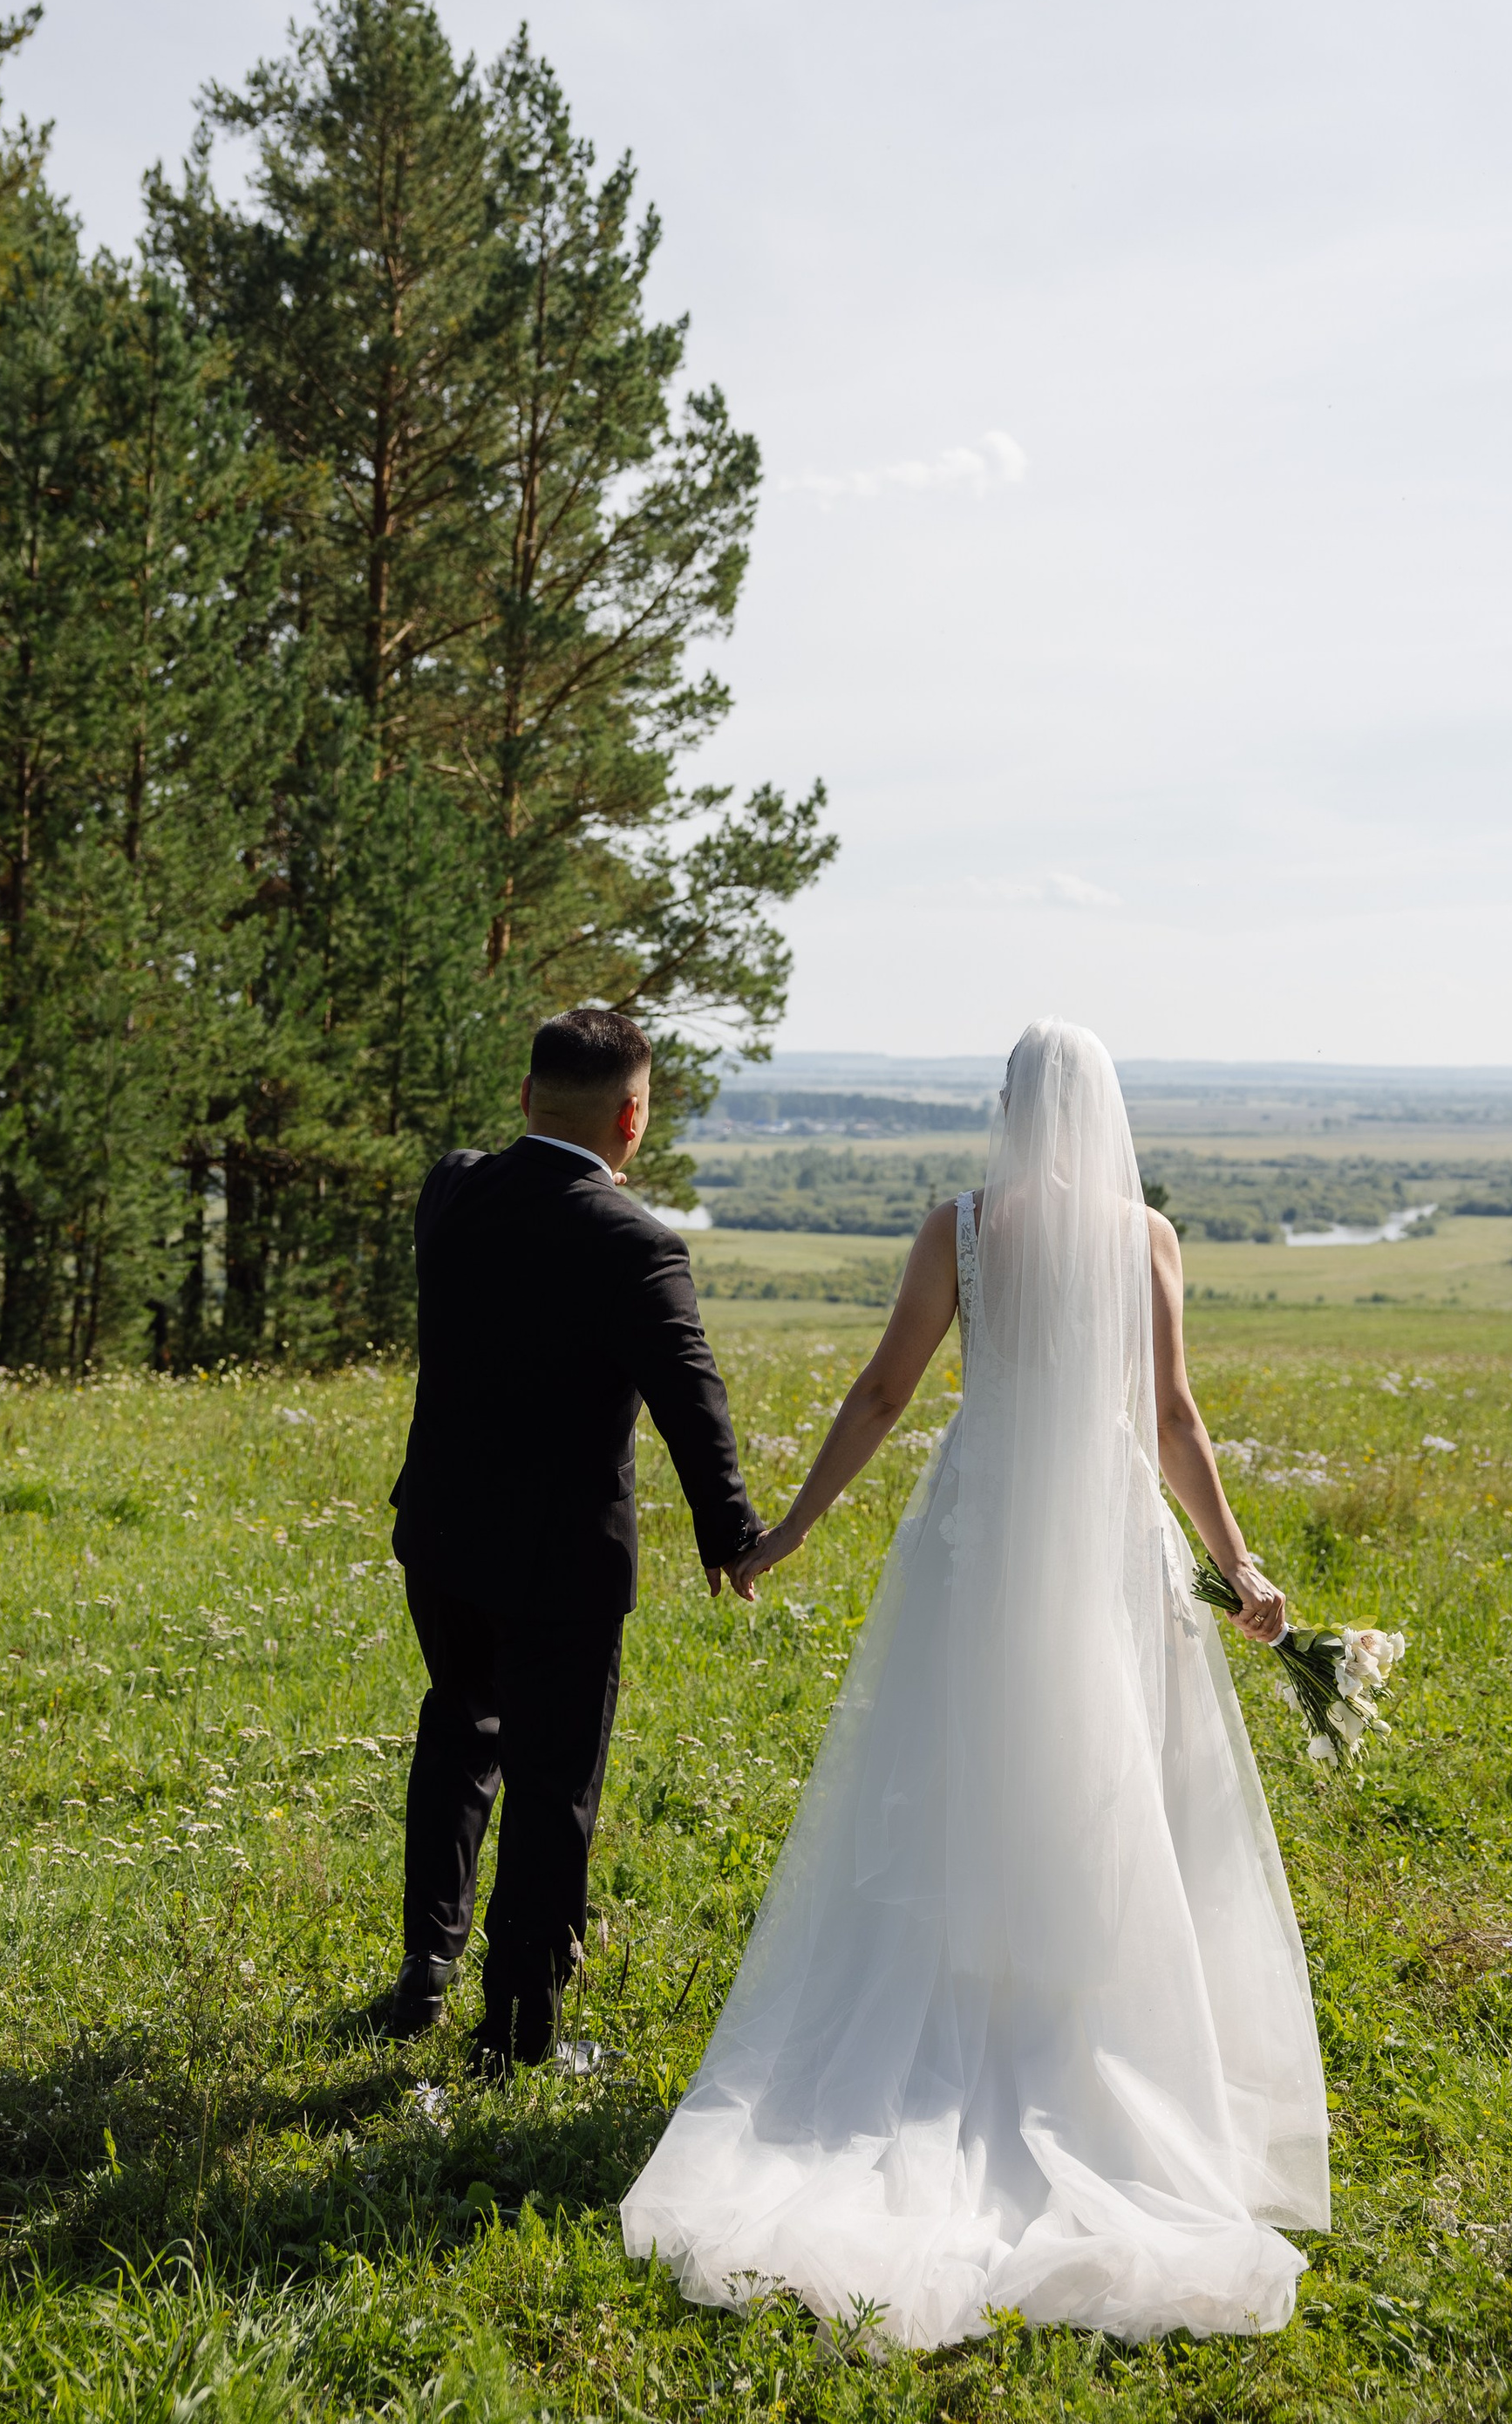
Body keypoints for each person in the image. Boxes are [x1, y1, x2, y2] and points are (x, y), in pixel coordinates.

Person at [621, 1018, 1328, 2346]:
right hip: (1107, 1530)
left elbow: (887, 1391)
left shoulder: (963, 1227)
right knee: (1106, 1772)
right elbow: (1173, 1419)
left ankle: (966, 1994)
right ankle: (1087, 2019)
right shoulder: (1149, 1239)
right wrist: (1240, 1565)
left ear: (1010, 1108)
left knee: (964, 1760)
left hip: (987, 1519)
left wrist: (792, 1529)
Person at [378, 1005, 762, 2074]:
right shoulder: (632, 1243)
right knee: (554, 1788)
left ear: (525, 1095)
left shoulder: (453, 1188)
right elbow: (692, 1400)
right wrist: (731, 1533)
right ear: (634, 1119)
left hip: (444, 1531)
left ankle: (426, 1972)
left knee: (458, 1734)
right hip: (562, 1561)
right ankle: (519, 2029)